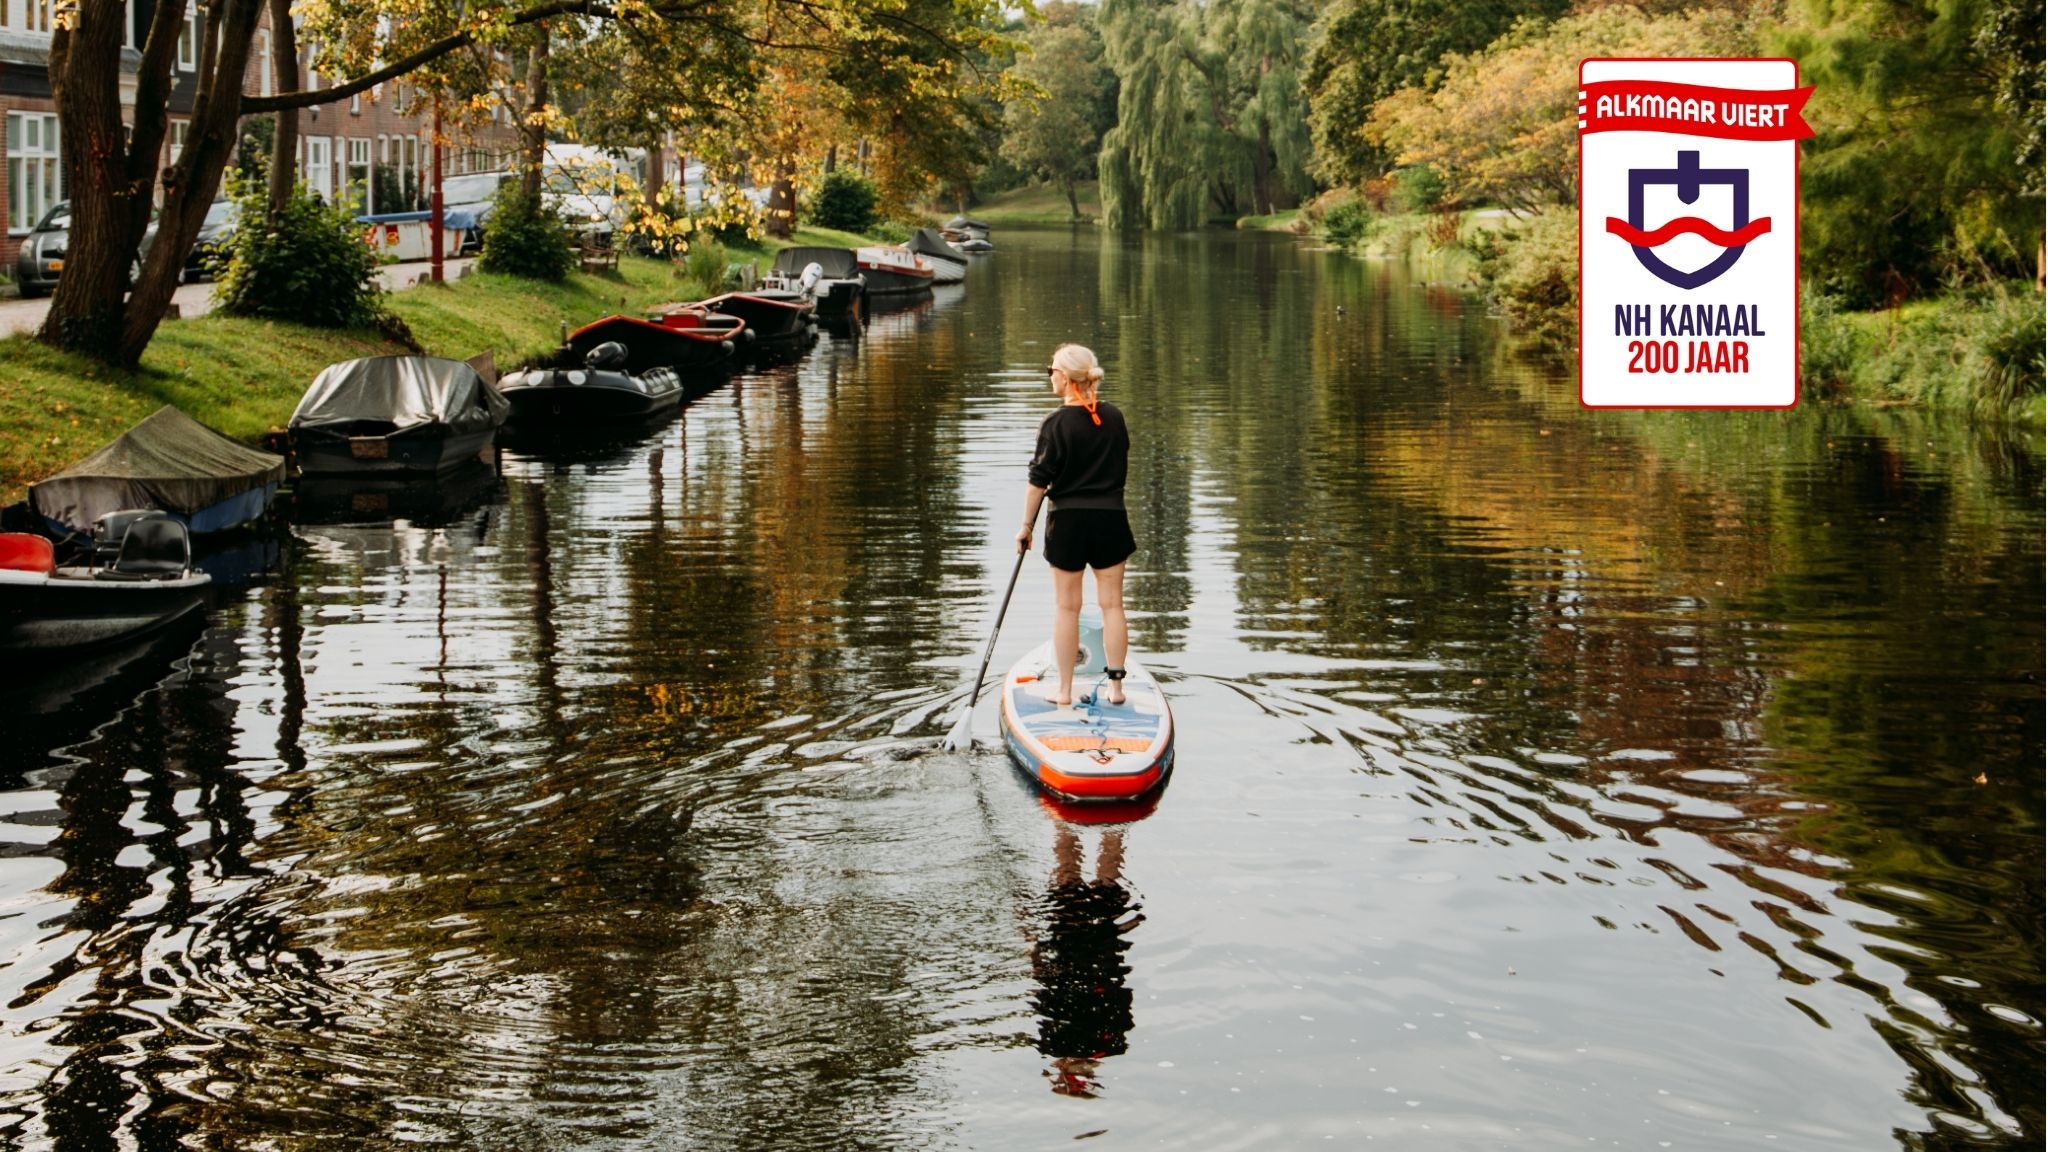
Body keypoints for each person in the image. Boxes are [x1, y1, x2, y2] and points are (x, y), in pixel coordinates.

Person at [1015, 343, 1134, 707]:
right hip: (1111, 517)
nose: (1049, 376)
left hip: (1068, 521)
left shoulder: (1055, 423)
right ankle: (1116, 689)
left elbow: (1038, 481)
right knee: (1113, 605)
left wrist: (1026, 527)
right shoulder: (1113, 416)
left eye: (1051, 370)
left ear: (1065, 378)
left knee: (1068, 608)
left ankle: (1064, 691)